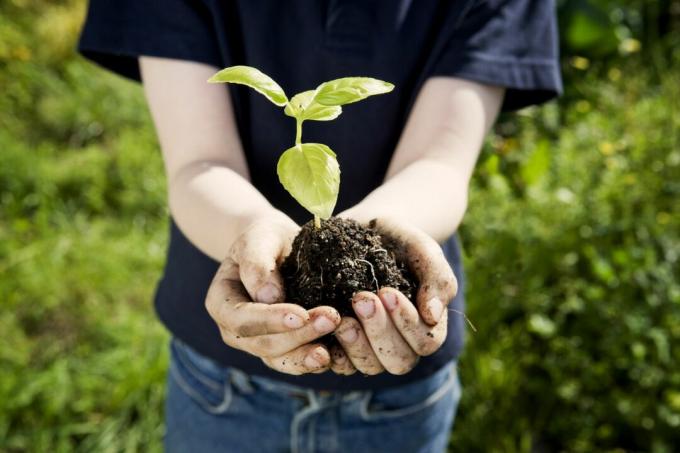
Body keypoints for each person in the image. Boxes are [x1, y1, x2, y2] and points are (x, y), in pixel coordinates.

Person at [78, 0, 561, 451]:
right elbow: (197, 164)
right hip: (220, 382)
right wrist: (254, 230)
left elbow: (440, 165)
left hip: (401, 396)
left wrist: (369, 232)